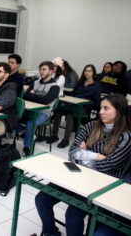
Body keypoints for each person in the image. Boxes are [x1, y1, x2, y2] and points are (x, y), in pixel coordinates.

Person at [35, 93, 131, 236]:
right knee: (41, 199)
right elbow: (73, 152)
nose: (100, 112)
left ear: (119, 110)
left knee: (73, 215)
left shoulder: (126, 136)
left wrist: (84, 155)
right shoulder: (91, 125)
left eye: (106, 108)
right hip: (78, 176)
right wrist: (96, 156)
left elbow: (110, 165)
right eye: (100, 108)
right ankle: (51, 232)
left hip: (101, 185)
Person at [47, 64, 102, 148]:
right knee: (58, 111)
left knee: (70, 116)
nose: (87, 73)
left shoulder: (97, 85)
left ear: (93, 73)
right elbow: (73, 94)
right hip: (73, 105)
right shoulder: (80, 83)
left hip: (85, 108)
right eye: (85, 70)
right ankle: (54, 135)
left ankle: (66, 140)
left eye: (89, 71)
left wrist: (85, 102)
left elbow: (96, 102)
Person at [20, 61, 60, 157]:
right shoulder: (35, 82)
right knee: (14, 116)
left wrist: (33, 95)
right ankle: (24, 133)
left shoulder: (55, 87)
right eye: (40, 69)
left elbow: (45, 101)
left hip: (44, 112)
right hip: (29, 109)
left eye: (44, 69)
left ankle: (27, 147)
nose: (41, 71)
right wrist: (37, 98)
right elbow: (25, 96)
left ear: (51, 71)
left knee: (30, 123)